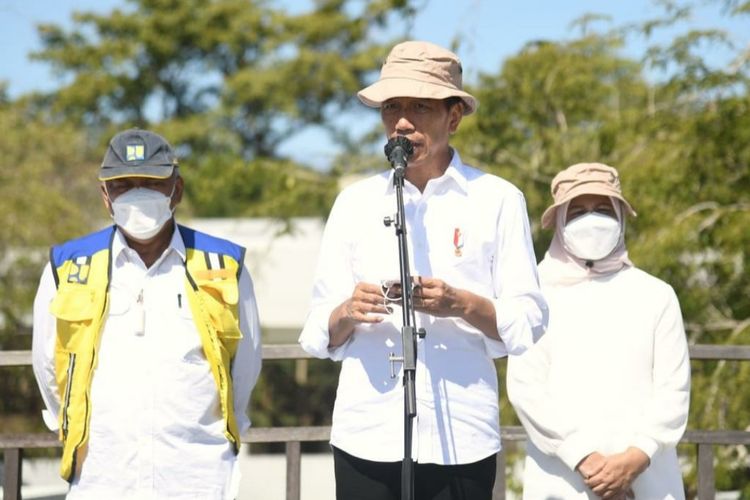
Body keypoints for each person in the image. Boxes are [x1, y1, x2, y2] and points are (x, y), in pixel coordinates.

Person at [299, 40, 547, 500]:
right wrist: (348, 311)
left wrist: (461, 304)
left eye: (420, 106)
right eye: (391, 107)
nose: (403, 121)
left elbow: (529, 321)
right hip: (367, 434)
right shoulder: (354, 203)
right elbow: (318, 329)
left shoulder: (497, 199)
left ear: (453, 117)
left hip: (462, 436)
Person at [31, 128, 262, 499]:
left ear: (177, 190)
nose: (137, 194)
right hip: (103, 478)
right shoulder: (67, 266)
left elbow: (245, 369)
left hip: (198, 476)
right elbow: (48, 368)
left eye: (151, 183)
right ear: (105, 195)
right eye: (123, 185)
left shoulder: (224, 263)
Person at [507, 162, 691, 499]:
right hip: (561, 482)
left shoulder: (655, 294)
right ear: (559, 223)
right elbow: (526, 389)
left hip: (649, 479)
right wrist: (585, 460)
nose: (592, 220)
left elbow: (674, 392)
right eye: (577, 212)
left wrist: (635, 459)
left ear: (621, 217)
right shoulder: (535, 295)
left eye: (604, 209)